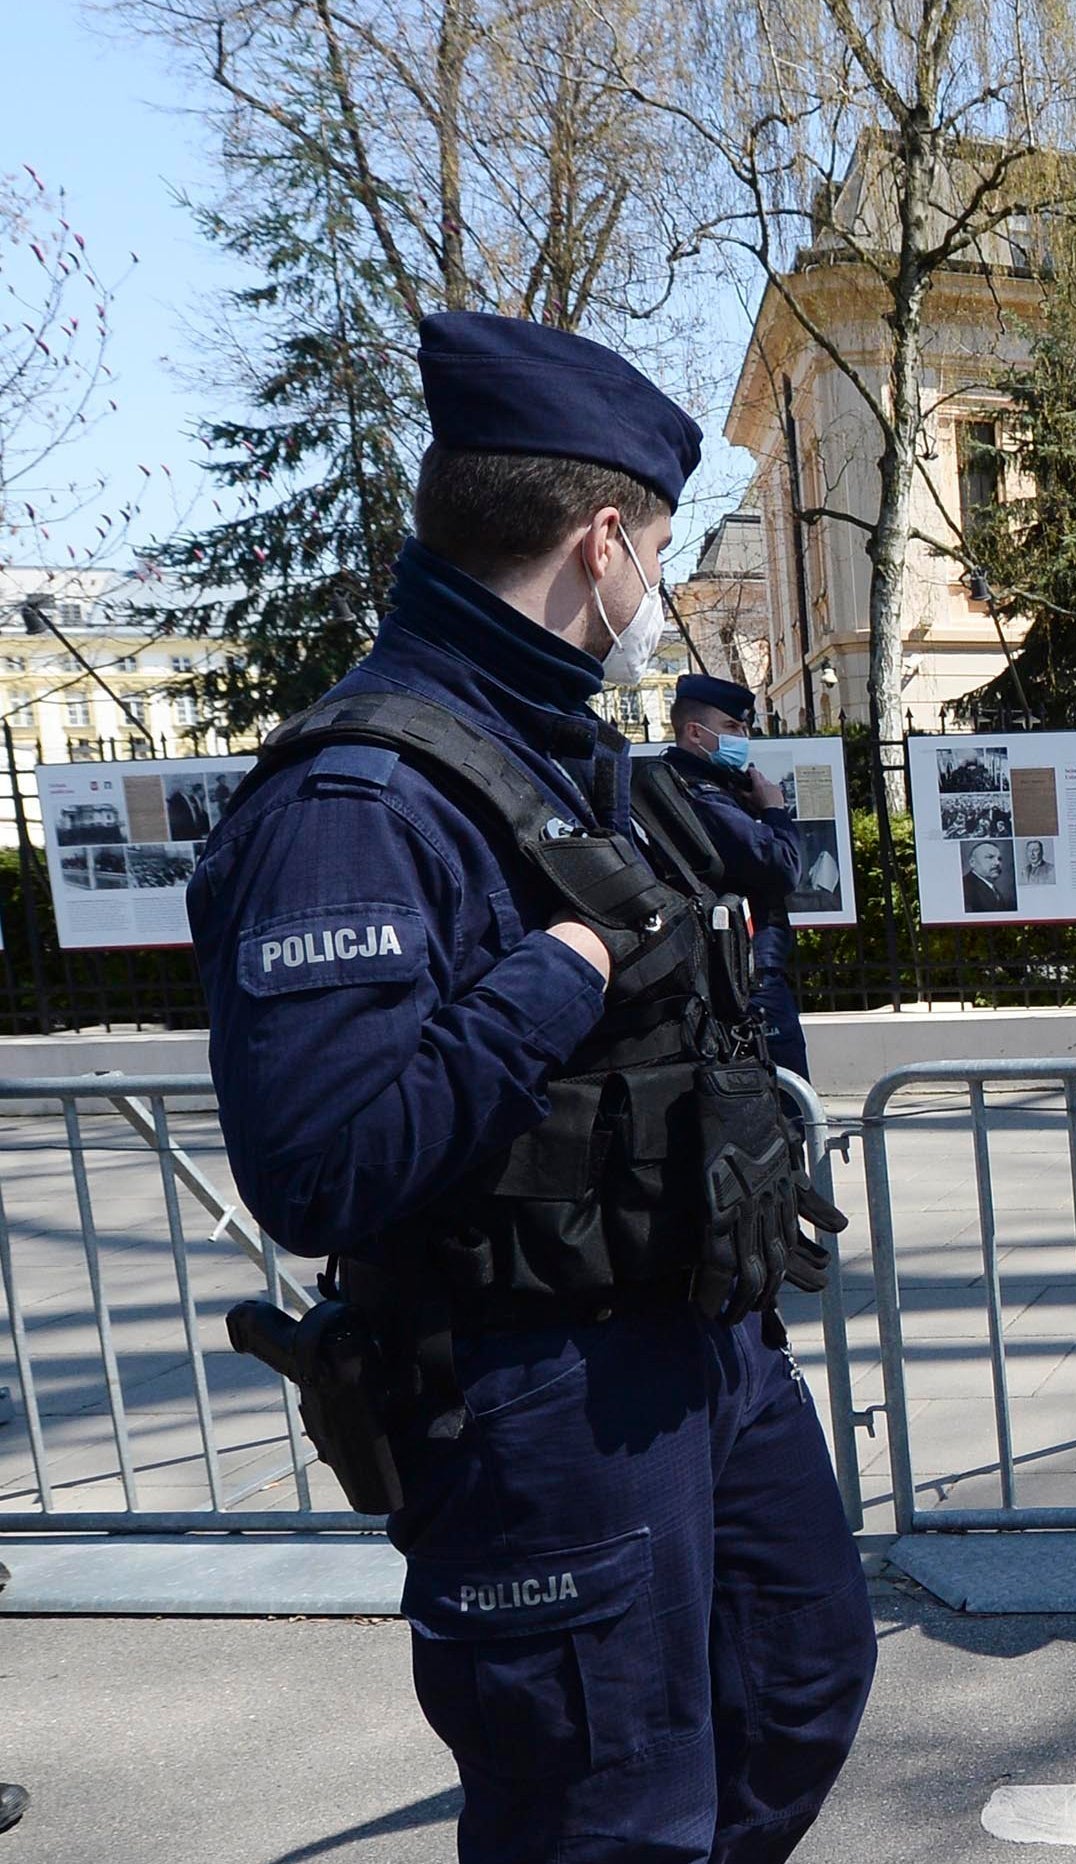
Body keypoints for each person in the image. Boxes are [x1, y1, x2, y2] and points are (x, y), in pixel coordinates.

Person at [186, 311, 874, 1863]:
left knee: (799, 1680)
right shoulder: (355, 798)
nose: (656, 595)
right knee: (603, 1820)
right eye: (656, 554)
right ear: (602, 540)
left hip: (700, 1344)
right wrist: (549, 977)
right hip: (533, 1392)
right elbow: (320, 1167)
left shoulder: (560, 755)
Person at [669, 673, 812, 1080]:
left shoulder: (703, 787)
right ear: (695, 733)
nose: (742, 737)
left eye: (745, 728)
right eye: (731, 727)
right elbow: (782, 866)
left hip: (732, 971)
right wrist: (773, 810)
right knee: (789, 1106)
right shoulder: (702, 794)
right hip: (747, 978)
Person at [962, 839, 1016, 913]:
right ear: (972, 862)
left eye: (999, 859)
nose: (997, 863)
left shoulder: (994, 890)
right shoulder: (965, 888)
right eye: (990, 857)